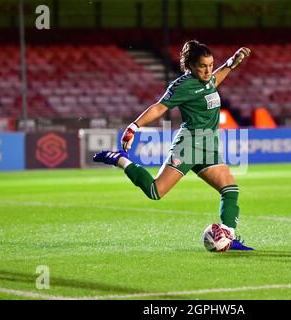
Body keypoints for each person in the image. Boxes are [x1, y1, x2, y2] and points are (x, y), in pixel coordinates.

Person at [93, 40, 253, 250]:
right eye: (203, 66)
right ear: (192, 66)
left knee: (230, 189)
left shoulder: (206, 80)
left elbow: (214, 80)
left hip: (208, 146)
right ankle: (120, 160)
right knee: (155, 192)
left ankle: (228, 237)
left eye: (211, 65)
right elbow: (159, 107)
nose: (208, 70)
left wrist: (231, 64)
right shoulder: (182, 85)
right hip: (189, 145)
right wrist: (134, 126)